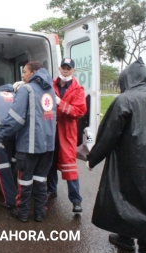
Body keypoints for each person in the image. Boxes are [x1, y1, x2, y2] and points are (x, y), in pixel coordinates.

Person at [86, 58, 146, 253]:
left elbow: (109, 133)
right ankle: (144, 238)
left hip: (131, 158)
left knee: (126, 198)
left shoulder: (124, 99)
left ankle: (126, 238)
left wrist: (93, 158)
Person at [0, 61, 56, 222]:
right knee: (40, 180)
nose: (22, 75)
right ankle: (39, 213)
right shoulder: (50, 90)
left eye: (24, 72)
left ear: (34, 72)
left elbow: (15, 119)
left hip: (29, 145)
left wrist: (3, 137)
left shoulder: (27, 89)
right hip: (48, 146)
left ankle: (22, 214)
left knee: (24, 180)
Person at [46, 58, 87, 214]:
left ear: (73, 71)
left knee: (69, 166)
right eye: (63, 67)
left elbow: (79, 111)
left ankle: (76, 201)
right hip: (51, 130)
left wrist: (59, 103)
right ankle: (51, 190)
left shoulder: (78, 90)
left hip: (67, 132)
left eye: (68, 68)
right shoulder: (50, 85)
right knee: (50, 162)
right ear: (59, 68)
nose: (65, 70)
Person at [0, 83, 19, 210]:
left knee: (3, 166)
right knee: (15, 162)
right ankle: (19, 193)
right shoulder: (16, 95)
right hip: (17, 130)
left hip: (0, 131)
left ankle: (10, 200)